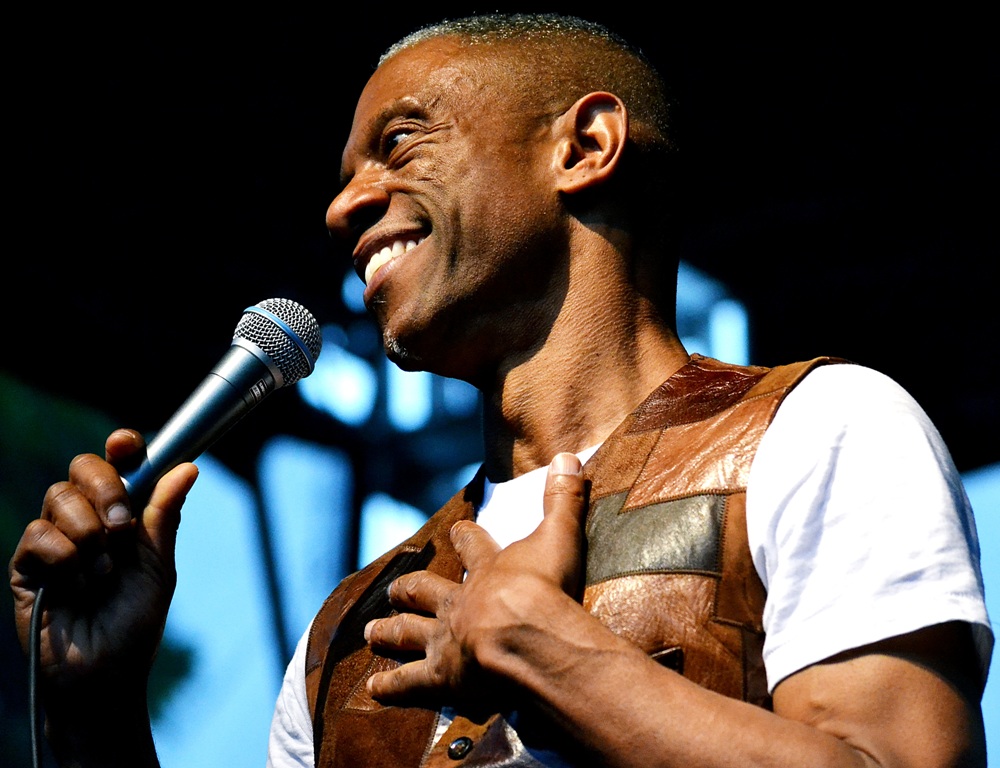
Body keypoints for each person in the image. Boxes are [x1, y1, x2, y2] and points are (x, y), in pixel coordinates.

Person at [10, 13, 992, 768]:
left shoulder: (818, 430)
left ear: (584, 146)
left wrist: (556, 664)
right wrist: (89, 712)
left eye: (400, 142)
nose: (343, 206)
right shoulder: (346, 629)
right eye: (346, 175)